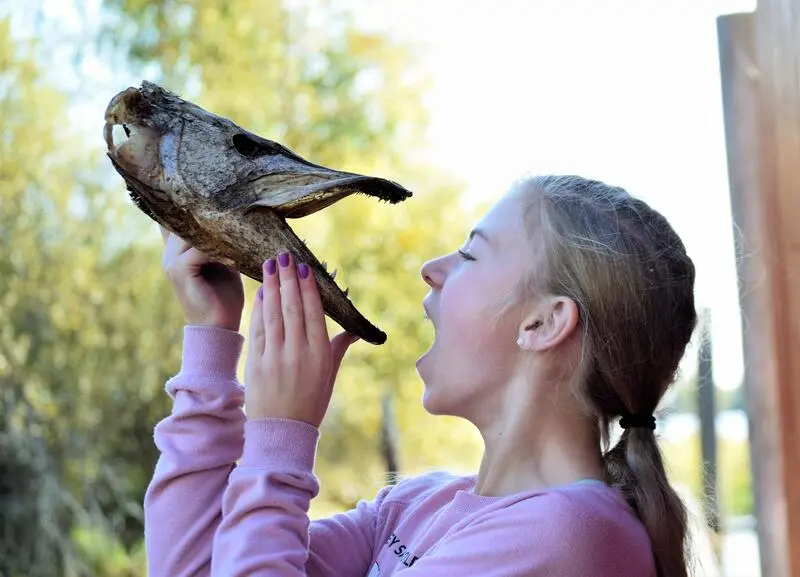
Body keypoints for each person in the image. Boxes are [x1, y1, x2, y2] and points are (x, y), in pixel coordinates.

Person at [144, 174, 697, 577]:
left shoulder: (574, 537)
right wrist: (212, 345)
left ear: (544, 322)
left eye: (471, 255)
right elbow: (193, 568)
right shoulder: (416, 509)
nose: (431, 269)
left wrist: (279, 444)